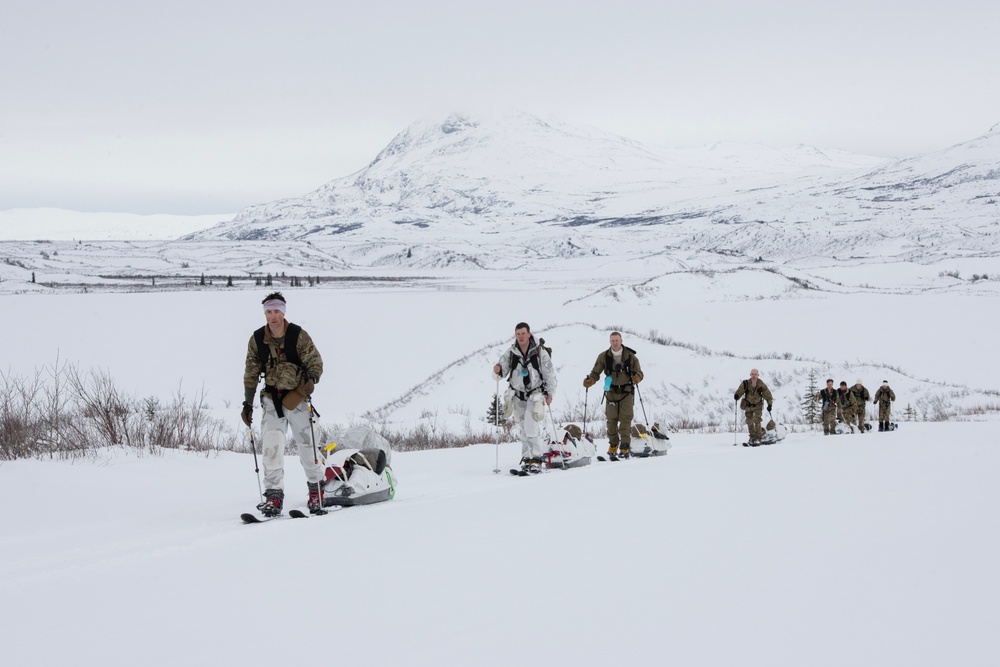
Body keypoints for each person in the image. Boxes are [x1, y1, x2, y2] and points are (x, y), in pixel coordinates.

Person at [242, 292, 325, 516]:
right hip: (271, 399)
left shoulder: (298, 335)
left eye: (276, 311)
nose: (273, 317)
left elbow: (315, 362)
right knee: (271, 447)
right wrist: (247, 404)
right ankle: (273, 497)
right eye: (268, 312)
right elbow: (251, 372)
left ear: (283, 312)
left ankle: (316, 490)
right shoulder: (258, 339)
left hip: (297, 398)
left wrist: (311, 380)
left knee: (308, 445)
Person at [493, 322, 557, 474]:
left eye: (523, 333)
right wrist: (498, 369)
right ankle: (527, 457)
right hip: (517, 395)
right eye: (518, 334)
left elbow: (549, 375)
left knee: (530, 425)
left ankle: (536, 458)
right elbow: (501, 370)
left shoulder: (540, 353)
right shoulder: (511, 352)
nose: (521, 337)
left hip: (535, 394)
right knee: (522, 427)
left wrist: (550, 394)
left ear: (529, 334)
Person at [583, 332, 644, 458]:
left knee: (625, 420)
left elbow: (639, 373)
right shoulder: (603, 356)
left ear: (621, 341)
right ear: (610, 342)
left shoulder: (631, 356)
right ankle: (613, 445)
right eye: (612, 341)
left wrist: (636, 378)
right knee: (611, 421)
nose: (614, 343)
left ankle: (625, 447)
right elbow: (596, 372)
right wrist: (590, 381)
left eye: (616, 340)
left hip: (626, 391)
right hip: (610, 391)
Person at [734, 369, 773, 445]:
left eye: (755, 374)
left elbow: (768, 395)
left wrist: (769, 404)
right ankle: (752, 437)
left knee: (757, 420)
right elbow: (740, 391)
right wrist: (737, 396)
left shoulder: (761, 385)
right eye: (752, 374)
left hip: (758, 405)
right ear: (750, 375)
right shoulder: (745, 383)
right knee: (749, 421)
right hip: (748, 406)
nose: (754, 376)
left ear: (758, 375)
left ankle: (758, 437)